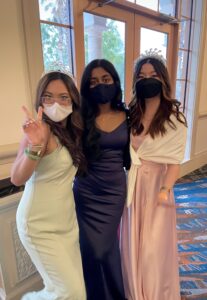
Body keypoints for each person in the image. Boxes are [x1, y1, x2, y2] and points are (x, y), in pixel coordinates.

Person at [11, 71, 86, 300]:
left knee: (62, 288)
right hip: (38, 224)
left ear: (73, 99)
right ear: (40, 100)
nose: (56, 103)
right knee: (72, 292)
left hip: (66, 223)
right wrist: (35, 146)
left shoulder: (73, 131)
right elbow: (17, 177)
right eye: (48, 97)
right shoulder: (39, 131)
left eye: (64, 97)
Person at [120, 51, 187, 300]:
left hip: (159, 189)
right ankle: (135, 292)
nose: (147, 79)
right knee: (130, 246)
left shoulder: (174, 119)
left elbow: (175, 163)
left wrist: (163, 191)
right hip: (134, 186)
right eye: (142, 75)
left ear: (163, 79)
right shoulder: (131, 113)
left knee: (152, 251)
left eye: (153, 75)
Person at [73, 59, 130, 300]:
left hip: (114, 191)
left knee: (106, 248)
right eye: (93, 82)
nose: (100, 85)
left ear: (115, 82)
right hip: (86, 191)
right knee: (91, 250)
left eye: (105, 80)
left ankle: (116, 294)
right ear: (86, 88)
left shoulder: (128, 115)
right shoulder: (78, 117)